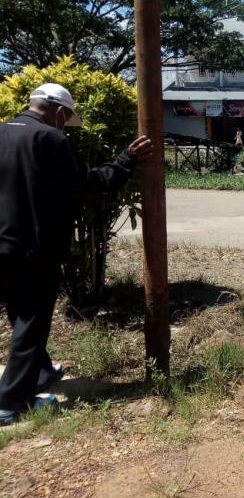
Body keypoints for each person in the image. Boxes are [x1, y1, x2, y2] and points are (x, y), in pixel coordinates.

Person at [0, 83, 153, 424]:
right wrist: (127, 159)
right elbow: (89, 183)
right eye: (66, 119)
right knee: (32, 319)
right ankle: (11, 402)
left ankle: (40, 370)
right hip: (34, 247)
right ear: (58, 112)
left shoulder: (2, 131)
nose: (64, 125)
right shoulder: (51, 140)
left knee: (18, 310)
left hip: (3, 244)